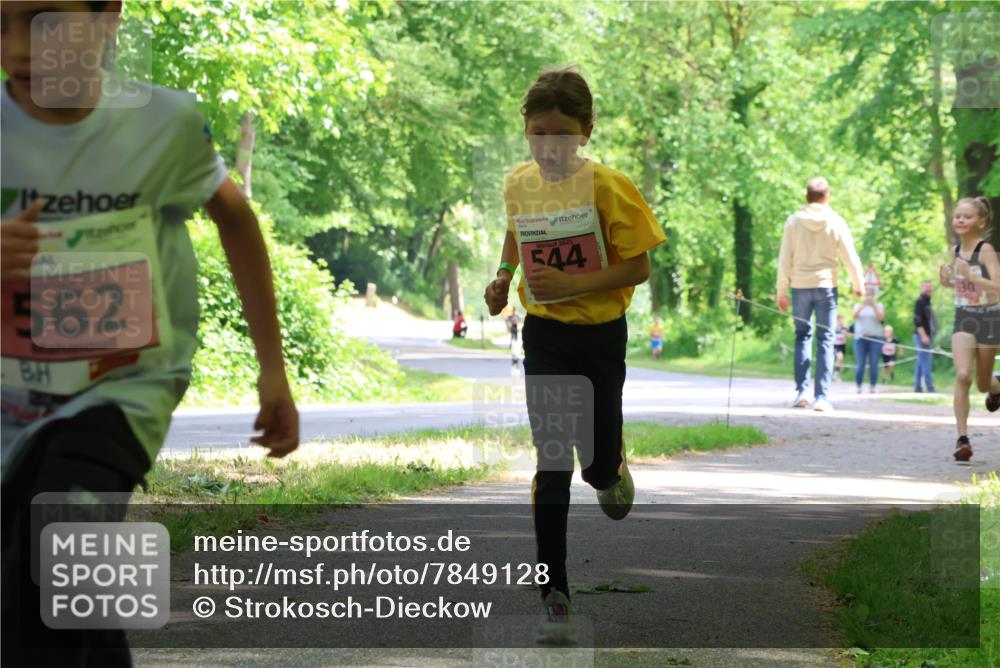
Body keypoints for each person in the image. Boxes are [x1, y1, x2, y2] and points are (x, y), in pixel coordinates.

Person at [0, 2, 299, 665]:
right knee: (52, 591)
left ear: (109, 17)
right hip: (12, 394)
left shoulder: (163, 123)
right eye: (0, 23)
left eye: (44, 19)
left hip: (124, 386)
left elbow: (236, 220)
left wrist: (271, 368)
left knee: (59, 542)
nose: (19, 46)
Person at [483, 66, 665, 645]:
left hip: (601, 335)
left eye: (560, 136)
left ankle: (610, 467)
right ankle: (554, 594)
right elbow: (516, 233)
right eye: (537, 135)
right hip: (545, 336)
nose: (548, 148)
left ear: (586, 131)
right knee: (553, 462)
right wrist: (502, 276)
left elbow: (639, 266)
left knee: (594, 469)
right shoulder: (518, 182)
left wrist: (579, 284)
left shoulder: (608, 186)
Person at [776, 177, 864, 412]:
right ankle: (821, 397)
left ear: (807, 197)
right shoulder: (835, 221)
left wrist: (781, 290)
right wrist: (859, 283)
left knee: (802, 336)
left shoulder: (793, 222)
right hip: (826, 286)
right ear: (827, 197)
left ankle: (802, 392)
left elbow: (785, 258)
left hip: (800, 286)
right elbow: (849, 255)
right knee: (826, 339)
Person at [939, 196, 1000, 461]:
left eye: (967, 216)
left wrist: (973, 276)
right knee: (963, 375)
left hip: (989, 319)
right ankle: (962, 439)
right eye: (957, 216)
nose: (960, 220)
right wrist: (947, 281)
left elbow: (997, 287)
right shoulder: (955, 251)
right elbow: (963, 288)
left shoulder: (985, 250)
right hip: (964, 318)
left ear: (981, 221)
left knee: (982, 383)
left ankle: (997, 387)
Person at [851, 288, 885, 394]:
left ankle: (872, 386)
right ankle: (859, 385)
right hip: (861, 338)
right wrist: (863, 305)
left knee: (874, 363)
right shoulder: (858, 305)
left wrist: (873, 306)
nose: (868, 297)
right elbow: (854, 316)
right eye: (867, 295)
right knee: (860, 363)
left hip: (875, 338)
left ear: (874, 295)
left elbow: (881, 318)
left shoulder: (879, 306)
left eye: (870, 295)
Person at [912, 280, 938, 392]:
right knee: (926, 362)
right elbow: (917, 321)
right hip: (921, 336)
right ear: (922, 288)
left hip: (927, 335)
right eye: (926, 287)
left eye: (930, 287)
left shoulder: (928, 302)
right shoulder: (920, 302)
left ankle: (917, 386)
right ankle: (930, 387)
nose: (928, 289)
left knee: (921, 361)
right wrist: (923, 336)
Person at [833, 314, 848, 382]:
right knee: (840, 357)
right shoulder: (834, 327)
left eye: (842, 320)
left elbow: (850, 336)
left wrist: (846, 333)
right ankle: (835, 373)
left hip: (842, 346)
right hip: (836, 345)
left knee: (841, 361)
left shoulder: (845, 328)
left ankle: (838, 375)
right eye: (840, 320)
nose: (841, 321)